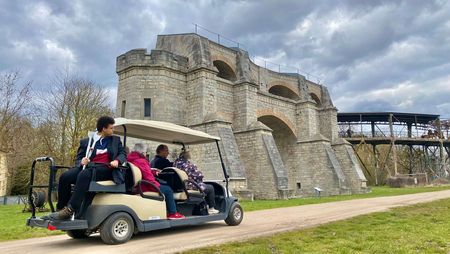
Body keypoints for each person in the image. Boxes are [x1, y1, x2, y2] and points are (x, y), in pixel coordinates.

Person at [45, 116, 127, 220]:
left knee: (84, 174)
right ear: (103, 129)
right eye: (111, 128)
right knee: (65, 177)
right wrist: (81, 162)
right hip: (88, 168)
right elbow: (78, 159)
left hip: (107, 169)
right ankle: (61, 208)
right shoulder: (86, 142)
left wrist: (117, 161)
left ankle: (70, 210)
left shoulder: (115, 140)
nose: (113, 130)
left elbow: (123, 153)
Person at [128, 143, 185, 220]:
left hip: (138, 185)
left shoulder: (131, 159)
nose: (146, 153)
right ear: (142, 152)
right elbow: (148, 177)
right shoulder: (141, 161)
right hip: (145, 186)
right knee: (168, 190)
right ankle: (173, 213)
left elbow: (145, 170)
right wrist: (156, 185)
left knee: (164, 186)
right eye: (145, 152)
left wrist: (154, 172)